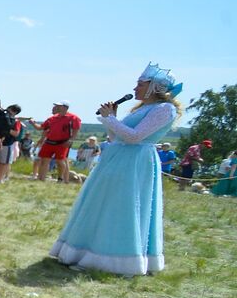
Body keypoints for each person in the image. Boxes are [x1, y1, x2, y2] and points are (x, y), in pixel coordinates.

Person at [51, 63, 182, 275]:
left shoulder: (164, 109)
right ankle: (88, 253)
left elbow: (135, 137)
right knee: (104, 204)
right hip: (117, 159)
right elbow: (116, 137)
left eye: (141, 84)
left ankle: (115, 261)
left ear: (154, 87)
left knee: (123, 207)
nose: (136, 88)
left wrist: (111, 119)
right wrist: (111, 118)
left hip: (136, 163)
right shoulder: (142, 109)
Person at [28, 102, 82, 182]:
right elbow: (41, 128)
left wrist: (71, 140)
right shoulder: (52, 118)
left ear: (65, 107)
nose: (56, 107)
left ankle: (60, 178)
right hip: (49, 142)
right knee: (44, 160)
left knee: (60, 161)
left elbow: (76, 129)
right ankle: (41, 179)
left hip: (62, 143)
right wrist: (33, 123)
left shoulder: (73, 118)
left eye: (58, 106)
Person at [0, 104, 23, 183]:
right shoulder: (3, 119)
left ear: (15, 112)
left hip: (8, 144)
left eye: (11, 110)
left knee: (4, 162)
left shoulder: (16, 121)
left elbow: (16, 133)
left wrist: (6, 129)